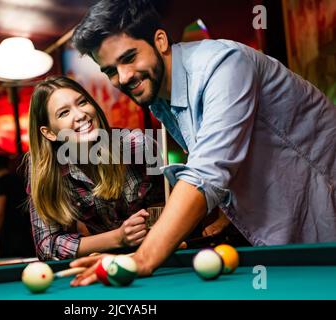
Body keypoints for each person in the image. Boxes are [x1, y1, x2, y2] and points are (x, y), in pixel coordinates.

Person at [68, 0, 336, 285]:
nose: (122, 77)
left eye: (129, 57)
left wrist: (142, 258)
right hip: (291, 233)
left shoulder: (224, 64)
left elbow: (207, 172)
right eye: (110, 70)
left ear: (159, 41)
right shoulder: (161, 98)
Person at [27, 76, 164, 260]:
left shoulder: (137, 146)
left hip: (155, 256)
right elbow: (47, 246)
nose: (80, 115)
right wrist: (117, 238)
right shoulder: (48, 172)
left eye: (82, 102)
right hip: (101, 266)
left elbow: (165, 204)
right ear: (49, 133)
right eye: (64, 113)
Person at [0, 154, 34, 259]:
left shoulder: (0, 181)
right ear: (8, 165)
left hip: (9, 235)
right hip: (25, 231)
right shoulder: (21, 180)